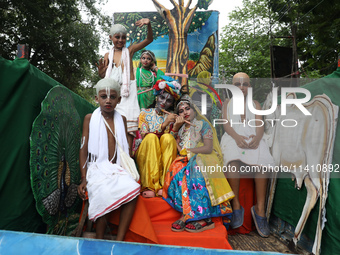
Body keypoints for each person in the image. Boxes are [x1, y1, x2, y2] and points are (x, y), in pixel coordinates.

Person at [77, 78, 140, 240]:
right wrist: (84, 178)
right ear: (96, 98)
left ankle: (119, 240)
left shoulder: (122, 120)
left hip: (116, 169)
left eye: (112, 97)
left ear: (119, 100)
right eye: (103, 96)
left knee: (133, 189)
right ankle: (99, 238)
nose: (108, 100)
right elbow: (83, 150)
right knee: (104, 190)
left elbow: (123, 149)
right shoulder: (90, 118)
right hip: (97, 168)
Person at [163, 95, 234, 233]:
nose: (185, 112)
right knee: (176, 170)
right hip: (187, 158)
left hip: (204, 158)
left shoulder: (203, 124)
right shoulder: (182, 128)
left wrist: (188, 153)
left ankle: (203, 218)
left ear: (194, 109)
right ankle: (187, 214)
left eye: (187, 108)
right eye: (181, 111)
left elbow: (208, 148)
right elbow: (178, 148)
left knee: (192, 169)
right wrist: (176, 128)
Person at [220, 72, 274, 237]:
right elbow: (226, 125)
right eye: (237, 84)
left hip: (253, 136)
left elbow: (260, 125)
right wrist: (236, 138)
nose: (241, 87)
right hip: (232, 136)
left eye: (245, 84)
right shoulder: (227, 103)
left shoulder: (255, 103)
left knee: (263, 159)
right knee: (233, 158)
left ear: (249, 87)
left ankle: (259, 210)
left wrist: (257, 139)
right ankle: (236, 204)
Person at [97, 19, 153, 152]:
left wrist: (148, 24)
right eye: (117, 37)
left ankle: (127, 160)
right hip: (113, 95)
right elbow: (103, 76)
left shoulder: (130, 50)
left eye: (123, 37)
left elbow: (149, 39)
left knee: (129, 130)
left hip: (128, 94)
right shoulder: (107, 55)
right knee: (112, 129)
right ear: (111, 37)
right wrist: (100, 72)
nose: (121, 40)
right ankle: (113, 160)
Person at [135, 78, 181, 198]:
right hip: (146, 150)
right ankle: (149, 185)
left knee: (168, 139)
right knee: (151, 138)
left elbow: (171, 145)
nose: (164, 102)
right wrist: (164, 124)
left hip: (161, 154)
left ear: (172, 104)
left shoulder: (171, 117)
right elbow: (144, 135)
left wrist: (175, 127)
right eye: (162, 97)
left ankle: (165, 185)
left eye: (169, 100)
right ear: (156, 97)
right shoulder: (144, 113)